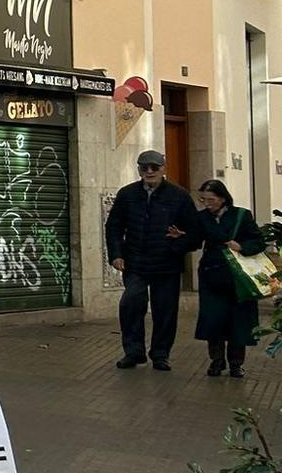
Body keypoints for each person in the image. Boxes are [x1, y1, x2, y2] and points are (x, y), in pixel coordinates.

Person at [104, 150, 202, 371]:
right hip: (135, 263)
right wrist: (116, 254)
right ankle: (133, 352)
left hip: (166, 265)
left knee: (165, 311)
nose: (149, 171)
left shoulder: (179, 196)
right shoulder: (127, 194)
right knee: (130, 304)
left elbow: (195, 234)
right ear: (138, 170)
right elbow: (114, 226)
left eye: (154, 167)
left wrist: (176, 245)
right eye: (144, 167)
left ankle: (160, 354)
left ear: (163, 169)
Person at [193, 178, 266, 379]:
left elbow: (258, 241)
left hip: (238, 277)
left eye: (211, 200)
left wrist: (242, 246)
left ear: (223, 199)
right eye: (203, 200)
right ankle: (216, 360)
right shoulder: (202, 217)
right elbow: (194, 240)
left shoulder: (241, 216)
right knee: (213, 319)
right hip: (211, 275)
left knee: (238, 321)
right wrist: (180, 236)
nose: (207, 204)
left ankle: (236, 363)